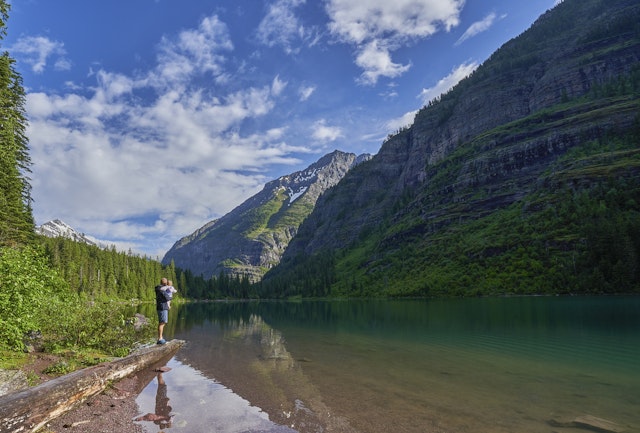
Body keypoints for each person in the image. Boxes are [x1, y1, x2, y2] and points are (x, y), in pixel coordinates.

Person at [155, 277, 171, 344]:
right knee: (162, 323)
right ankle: (160, 339)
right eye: (166, 283)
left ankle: (160, 338)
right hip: (163, 307)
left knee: (161, 323)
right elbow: (167, 297)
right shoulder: (162, 290)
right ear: (165, 283)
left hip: (160, 307)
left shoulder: (158, 288)